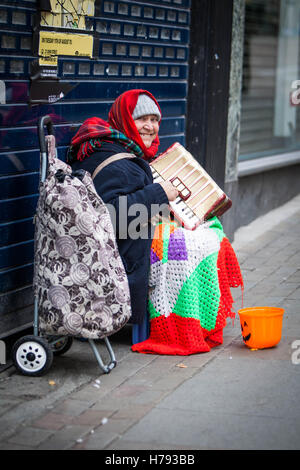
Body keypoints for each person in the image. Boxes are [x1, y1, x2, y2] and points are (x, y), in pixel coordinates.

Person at [68, 89, 243, 355]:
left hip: (131, 239)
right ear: (125, 119)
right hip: (119, 253)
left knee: (210, 233)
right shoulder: (111, 158)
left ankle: (199, 320)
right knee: (191, 245)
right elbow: (110, 219)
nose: (151, 127)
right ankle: (181, 322)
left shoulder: (121, 146)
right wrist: (161, 193)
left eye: (155, 119)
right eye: (142, 119)